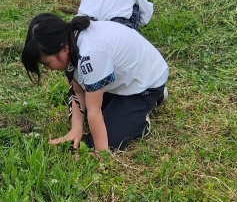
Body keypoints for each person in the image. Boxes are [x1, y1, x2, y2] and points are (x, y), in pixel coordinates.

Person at [22, 14, 168, 152]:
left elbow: (94, 110)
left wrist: (100, 153)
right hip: (121, 81)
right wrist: (76, 128)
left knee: (102, 141)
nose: (48, 69)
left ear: (63, 49)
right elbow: (78, 91)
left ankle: (145, 113)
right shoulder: (71, 41)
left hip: (145, 85)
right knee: (88, 118)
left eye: (46, 63)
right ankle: (134, 109)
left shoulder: (90, 55)